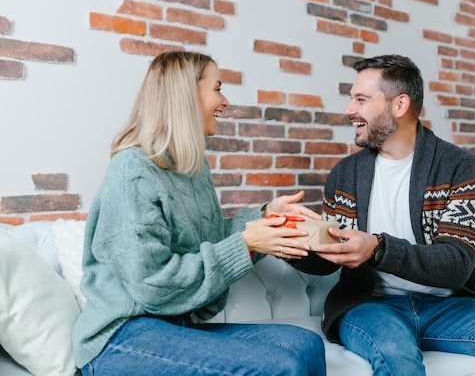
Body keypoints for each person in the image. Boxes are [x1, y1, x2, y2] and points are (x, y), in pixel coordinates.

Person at [290, 54, 475, 375]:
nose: (350, 110)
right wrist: (292, 245)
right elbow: (329, 260)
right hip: (369, 305)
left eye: (361, 100)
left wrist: (377, 248)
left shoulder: (460, 167)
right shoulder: (345, 175)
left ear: (399, 105)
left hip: (447, 306)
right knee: (395, 352)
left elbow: (456, 264)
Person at [72, 51, 327, 376]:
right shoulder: (132, 172)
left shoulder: (191, 168)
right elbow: (151, 285)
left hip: (174, 325)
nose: (225, 100)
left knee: (305, 345)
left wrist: (264, 217)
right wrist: (247, 243)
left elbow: (210, 238)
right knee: (281, 366)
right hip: (122, 336)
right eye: (218, 88)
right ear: (187, 95)